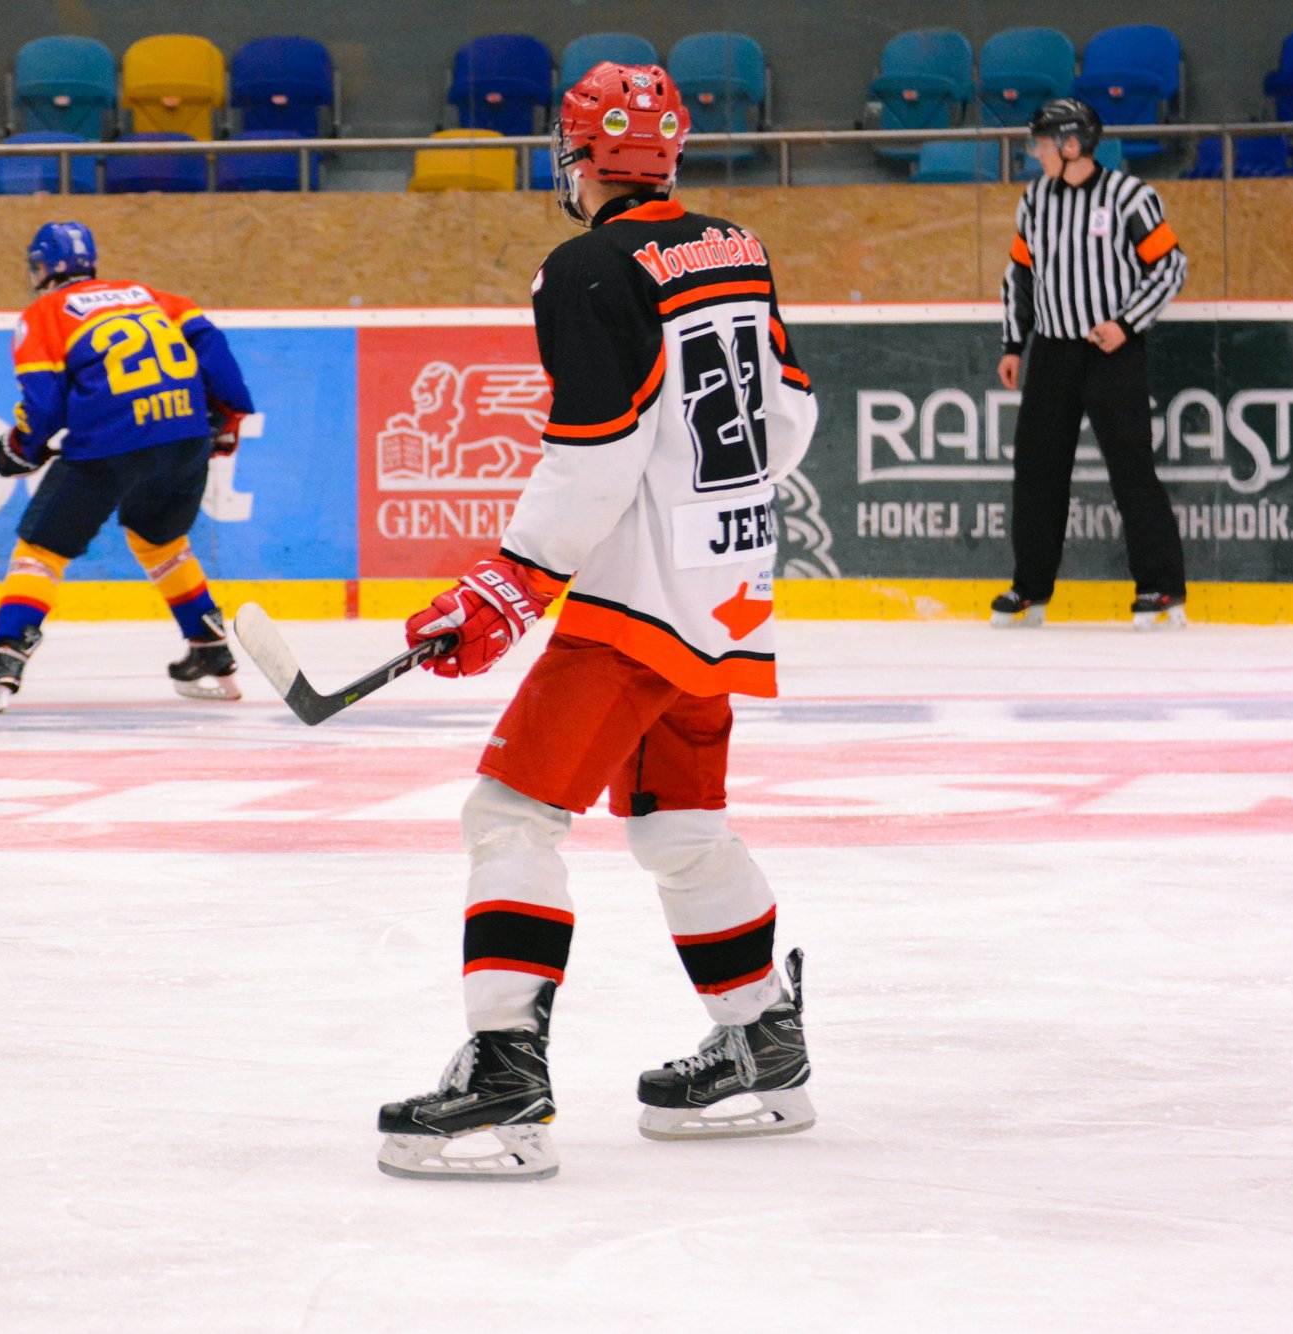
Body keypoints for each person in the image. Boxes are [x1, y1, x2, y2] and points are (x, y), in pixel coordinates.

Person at [375, 62, 820, 1182]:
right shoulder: (736, 246)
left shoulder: (583, 269)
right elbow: (790, 419)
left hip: (636, 602)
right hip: (728, 588)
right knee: (679, 826)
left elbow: (598, 450)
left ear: (578, 160)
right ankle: (764, 1043)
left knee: (509, 814)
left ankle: (503, 1070)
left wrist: (514, 580)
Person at [0, 222, 256, 711]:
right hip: (185, 435)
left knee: (41, 549)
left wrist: (19, 448)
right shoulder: (156, 297)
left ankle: (5, 660)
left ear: (43, 267)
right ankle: (210, 648)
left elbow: (45, 407)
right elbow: (215, 355)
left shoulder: (43, 314)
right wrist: (227, 418)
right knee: (160, 540)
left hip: (111, 443)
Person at [993, 98, 1190, 630]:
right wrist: (1014, 344)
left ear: (1072, 145)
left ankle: (1160, 586)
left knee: (1131, 469)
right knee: (1036, 470)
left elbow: (1170, 266)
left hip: (1111, 352)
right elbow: (1020, 276)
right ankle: (1029, 587)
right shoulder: (1035, 199)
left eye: (1042, 144)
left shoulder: (1129, 196)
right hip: (1051, 352)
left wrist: (1126, 323)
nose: (1035, 153)